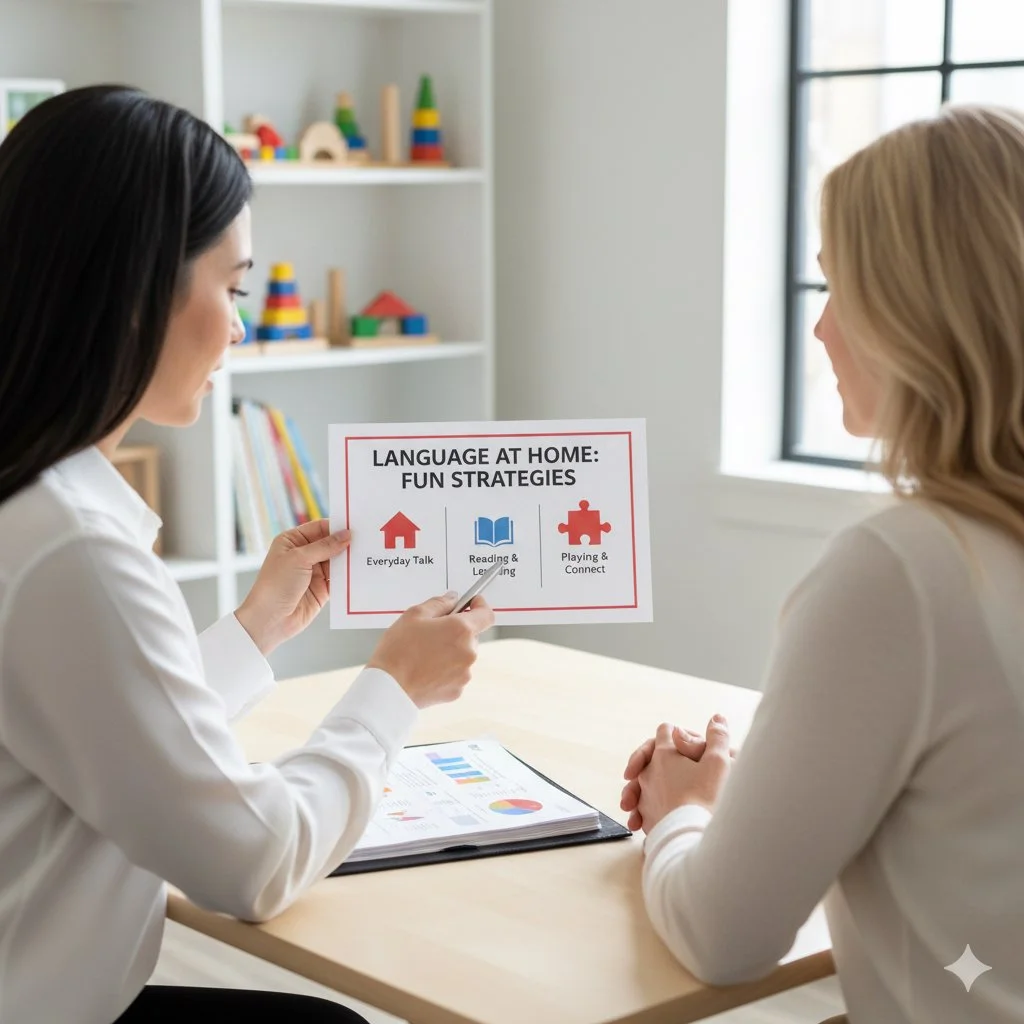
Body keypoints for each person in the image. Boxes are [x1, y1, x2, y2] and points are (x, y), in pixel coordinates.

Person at [0, 85, 494, 1024]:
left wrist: (256, 626)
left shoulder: (33, 510)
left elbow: (106, 728)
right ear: (135, 287)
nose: (241, 326)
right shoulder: (72, 551)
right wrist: (394, 687)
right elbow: (253, 860)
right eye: (230, 289)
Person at [621, 104, 1024, 1024]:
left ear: (920, 317)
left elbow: (725, 938)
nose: (822, 330)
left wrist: (682, 812)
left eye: (839, 290)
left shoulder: (906, 571)